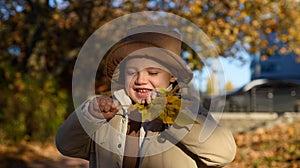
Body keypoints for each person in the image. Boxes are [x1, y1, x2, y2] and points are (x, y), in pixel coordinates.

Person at [56, 25, 236, 168]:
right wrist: (91, 116)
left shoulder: (188, 111)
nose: (141, 80)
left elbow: (223, 153)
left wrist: (171, 116)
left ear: (172, 76)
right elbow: (67, 145)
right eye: (132, 72)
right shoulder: (108, 112)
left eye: (153, 72)